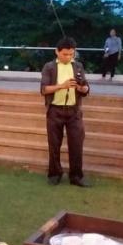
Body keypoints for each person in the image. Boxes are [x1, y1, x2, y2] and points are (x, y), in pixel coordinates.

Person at [40, 36, 90, 187]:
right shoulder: (49, 67)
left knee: (76, 144)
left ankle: (76, 176)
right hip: (55, 110)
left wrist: (82, 88)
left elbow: (85, 87)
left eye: (71, 54)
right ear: (57, 52)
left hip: (74, 111)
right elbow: (44, 89)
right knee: (54, 145)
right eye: (65, 54)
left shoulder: (78, 66)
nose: (68, 57)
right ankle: (55, 174)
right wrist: (62, 85)